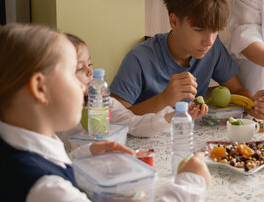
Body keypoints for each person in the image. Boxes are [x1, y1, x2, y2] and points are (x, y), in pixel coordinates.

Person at [0, 24, 210, 202]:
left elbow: (44, 167)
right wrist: (189, 185)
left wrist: (83, 155)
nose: (85, 84)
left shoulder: (7, 149)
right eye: (73, 73)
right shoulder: (42, 190)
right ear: (40, 88)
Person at [110, 0, 264, 119]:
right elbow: (113, 117)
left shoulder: (213, 49)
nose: (209, 41)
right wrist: (164, 99)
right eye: (198, 30)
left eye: (214, 30)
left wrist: (254, 104)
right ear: (174, 21)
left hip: (184, 137)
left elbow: (237, 89)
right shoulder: (139, 59)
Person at [64, 33, 204, 139]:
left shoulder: (106, 104)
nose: (90, 72)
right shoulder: (54, 114)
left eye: (90, 64)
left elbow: (135, 124)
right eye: (80, 68)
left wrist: (173, 116)